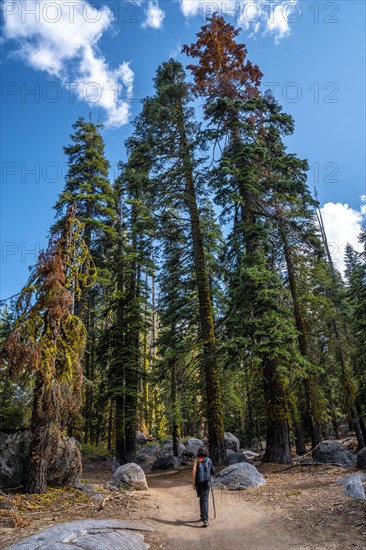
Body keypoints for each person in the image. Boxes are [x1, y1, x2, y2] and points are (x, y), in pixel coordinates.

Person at [192, 446, 214, 527]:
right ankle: (203, 517)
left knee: (202, 498)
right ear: (206, 452)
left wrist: (193, 483)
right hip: (207, 482)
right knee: (204, 499)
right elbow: (212, 471)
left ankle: (205, 519)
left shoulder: (197, 460)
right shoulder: (209, 460)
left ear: (199, 452)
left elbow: (194, 471)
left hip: (199, 482)